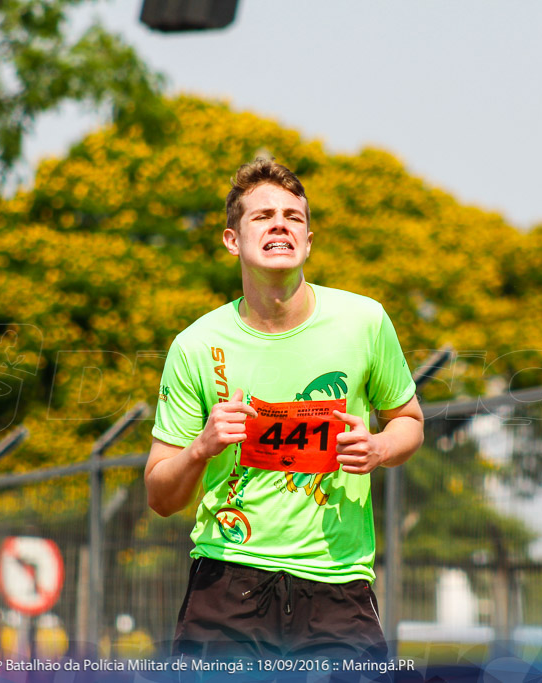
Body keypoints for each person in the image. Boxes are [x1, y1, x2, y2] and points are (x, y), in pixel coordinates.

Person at [145, 159, 424, 660]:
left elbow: (409, 422)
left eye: (293, 217)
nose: (280, 224)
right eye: (263, 215)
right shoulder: (195, 345)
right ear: (232, 240)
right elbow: (160, 495)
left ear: (309, 241)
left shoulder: (364, 321)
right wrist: (200, 449)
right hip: (227, 582)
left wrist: (378, 447)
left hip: (338, 584)